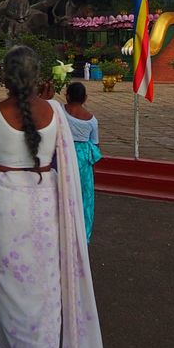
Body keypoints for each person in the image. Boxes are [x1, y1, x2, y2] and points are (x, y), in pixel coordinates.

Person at [0, 45, 108, 348]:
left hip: (3, 205)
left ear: (5, 75)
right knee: (45, 289)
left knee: (3, 288)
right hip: (44, 203)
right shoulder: (56, 114)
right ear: (37, 78)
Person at [63, 82, 102, 243]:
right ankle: (82, 234)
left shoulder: (60, 111)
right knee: (84, 196)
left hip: (63, 153)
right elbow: (95, 145)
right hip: (83, 158)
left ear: (67, 95)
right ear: (85, 97)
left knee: (63, 191)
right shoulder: (92, 120)